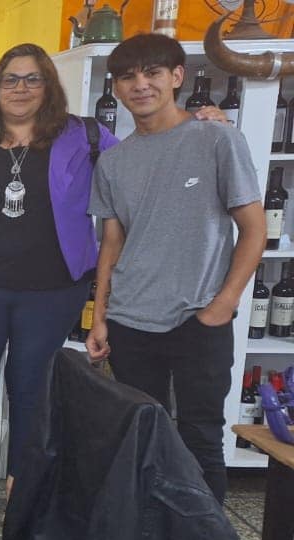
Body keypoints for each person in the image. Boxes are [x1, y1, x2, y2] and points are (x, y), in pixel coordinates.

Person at [0, 44, 118, 521]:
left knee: (31, 383)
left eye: (32, 78)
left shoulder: (84, 136)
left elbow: (138, 168)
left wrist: (197, 125)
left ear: (48, 85)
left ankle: (21, 479)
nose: (20, 88)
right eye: (10, 79)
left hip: (52, 287)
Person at [86, 34, 264, 503]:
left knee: (201, 436)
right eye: (128, 77)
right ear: (117, 88)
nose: (140, 85)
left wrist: (222, 306)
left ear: (177, 77)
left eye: (153, 73)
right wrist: (100, 316)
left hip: (197, 319)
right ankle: (149, 533)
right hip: (130, 319)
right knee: (141, 436)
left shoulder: (218, 139)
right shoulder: (113, 162)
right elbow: (111, 244)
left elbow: (254, 230)